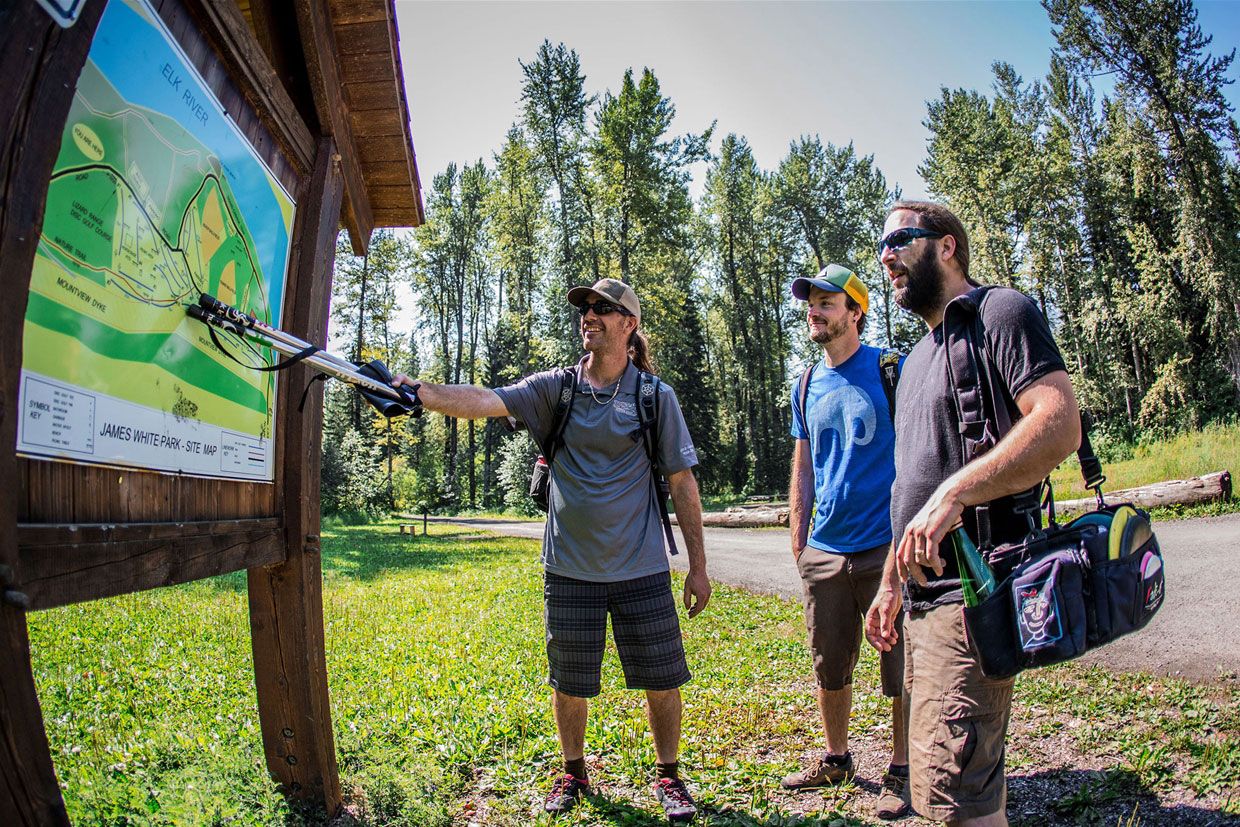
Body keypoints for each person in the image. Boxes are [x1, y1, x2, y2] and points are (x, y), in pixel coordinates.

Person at [392, 277, 711, 824]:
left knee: (662, 679)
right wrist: (417, 391)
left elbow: (682, 482)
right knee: (571, 683)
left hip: (642, 569)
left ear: (629, 325)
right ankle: (573, 770)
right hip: (568, 569)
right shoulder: (556, 388)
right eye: (586, 307)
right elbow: (485, 401)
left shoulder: (655, 397)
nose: (589, 314)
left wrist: (699, 568)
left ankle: (668, 775)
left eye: (604, 309)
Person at [865, 202, 1081, 826]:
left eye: (900, 239)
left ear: (947, 246)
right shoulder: (913, 365)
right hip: (921, 602)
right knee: (965, 786)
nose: (887, 256)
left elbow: (1058, 421)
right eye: (883, 247)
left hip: (973, 592)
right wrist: (889, 586)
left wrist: (957, 494)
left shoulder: (1000, 313)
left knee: (954, 801)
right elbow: (911, 487)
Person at [783, 264, 911, 820]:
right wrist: (798, 535)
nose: (814, 310)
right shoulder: (806, 383)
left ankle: (903, 770)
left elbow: (921, 452)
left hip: (885, 546)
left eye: (827, 302)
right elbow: (804, 463)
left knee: (900, 664)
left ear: (855, 311)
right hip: (825, 550)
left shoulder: (892, 370)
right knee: (828, 664)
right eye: (811, 302)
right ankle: (837, 758)